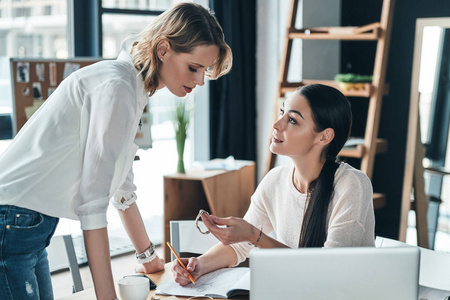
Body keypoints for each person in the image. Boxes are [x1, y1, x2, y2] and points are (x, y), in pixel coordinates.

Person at [0, 2, 232, 300]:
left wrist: (148, 259)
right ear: (163, 50)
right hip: (12, 221)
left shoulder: (129, 88)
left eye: (204, 71)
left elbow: (121, 188)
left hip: (26, 224)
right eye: (194, 68)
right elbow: (93, 204)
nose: (200, 81)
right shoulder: (117, 87)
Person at [172, 84, 375, 286]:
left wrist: (255, 236)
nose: (277, 124)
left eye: (292, 120)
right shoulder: (275, 180)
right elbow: (240, 246)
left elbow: (326, 271)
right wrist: (198, 265)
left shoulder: (352, 185)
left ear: (324, 136)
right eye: (281, 112)